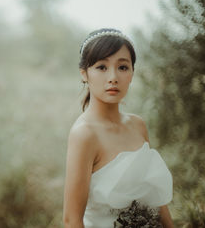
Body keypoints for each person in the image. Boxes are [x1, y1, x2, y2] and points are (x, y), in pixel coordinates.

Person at [63, 28, 174, 228]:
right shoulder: (84, 134)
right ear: (84, 74)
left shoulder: (138, 125)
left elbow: (155, 197)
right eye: (102, 67)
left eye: (122, 67)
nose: (113, 77)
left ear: (132, 73)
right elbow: (72, 220)